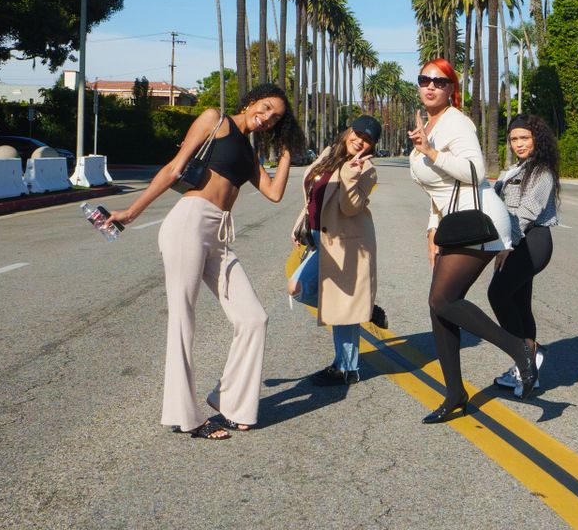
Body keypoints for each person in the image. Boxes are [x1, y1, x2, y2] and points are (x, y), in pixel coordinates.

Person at [110, 84, 304, 440]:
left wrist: (287, 151)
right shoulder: (215, 120)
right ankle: (185, 416)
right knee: (183, 319)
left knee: (254, 318)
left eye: (275, 118)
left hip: (220, 234)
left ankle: (231, 402)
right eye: (265, 108)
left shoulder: (250, 155)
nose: (266, 118)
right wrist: (131, 212)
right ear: (251, 101)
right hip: (190, 222)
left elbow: (275, 193)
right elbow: (174, 169)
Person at [407, 58, 538, 424]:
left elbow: (474, 171)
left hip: (478, 220)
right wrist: (431, 231)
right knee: (439, 307)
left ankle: (519, 350)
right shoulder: (428, 125)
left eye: (439, 81)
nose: (430, 86)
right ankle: (455, 394)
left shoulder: (457, 122)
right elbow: (438, 190)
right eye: (424, 79)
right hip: (454, 224)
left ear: (451, 89)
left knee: (443, 299)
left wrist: (430, 151)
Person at [288, 115, 385, 386]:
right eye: (357, 134)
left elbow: (350, 208)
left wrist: (351, 175)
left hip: (345, 244)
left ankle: (346, 368)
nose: (359, 141)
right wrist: (301, 225)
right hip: (319, 236)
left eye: (367, 140)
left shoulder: (367, 170)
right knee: (332, 300)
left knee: (297, 287)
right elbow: (313, 193)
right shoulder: (329, 153)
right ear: (348, 131)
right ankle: (360, 315)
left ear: (372, 145)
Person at [488, 115, 559, 393]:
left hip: (532, 241)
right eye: (514, 139)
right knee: (519, 305)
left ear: (536, 139)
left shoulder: (542, 172)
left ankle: (528, 354)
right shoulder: (514, 170)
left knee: (497, 294)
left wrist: (508, 245)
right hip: (518, 239)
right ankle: (526, 371)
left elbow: (526, 213)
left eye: (524, 138)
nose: (519, 144)